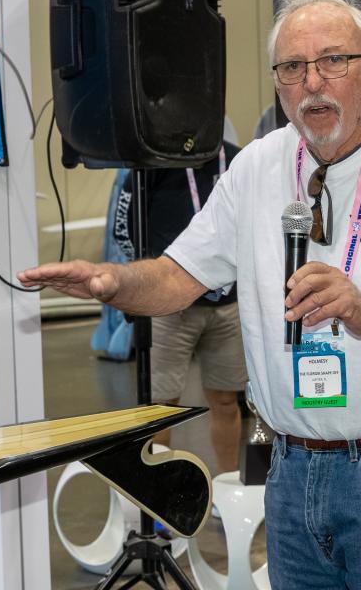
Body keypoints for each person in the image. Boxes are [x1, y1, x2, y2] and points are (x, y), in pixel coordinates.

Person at [20, 0, 361, 589]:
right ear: (278, 84)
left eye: (333, 61)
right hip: (292, 472)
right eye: (293, 68)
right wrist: (112, 281)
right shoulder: (254, 168)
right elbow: (178, 276)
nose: (312, 83)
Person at [112, 141, 247, 474]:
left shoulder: (239, 160)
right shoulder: (155, 160)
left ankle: (228, 487)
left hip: (227, 306)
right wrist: (153, 281)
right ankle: (161, 497)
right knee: (161, 407)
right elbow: (123, 229)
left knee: (227, 401)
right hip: (170, 308)